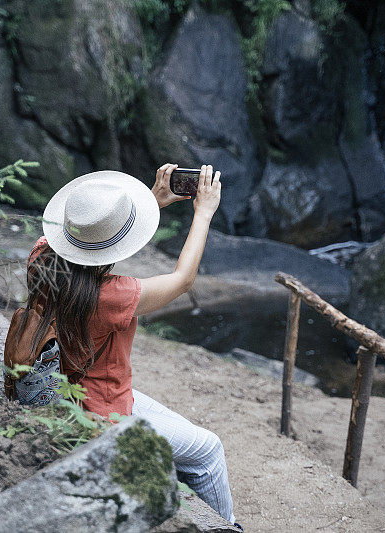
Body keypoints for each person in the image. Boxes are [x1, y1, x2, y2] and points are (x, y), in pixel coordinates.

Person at [22, 163, 237, 525]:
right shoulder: (112, 296)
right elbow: (182, 280)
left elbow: (92, 252)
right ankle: (225, 527)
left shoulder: (41, 256)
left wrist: (155, 200)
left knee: (180, 433)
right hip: (103, 412)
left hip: (70, 392)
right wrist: (203, 213)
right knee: (208, 452)